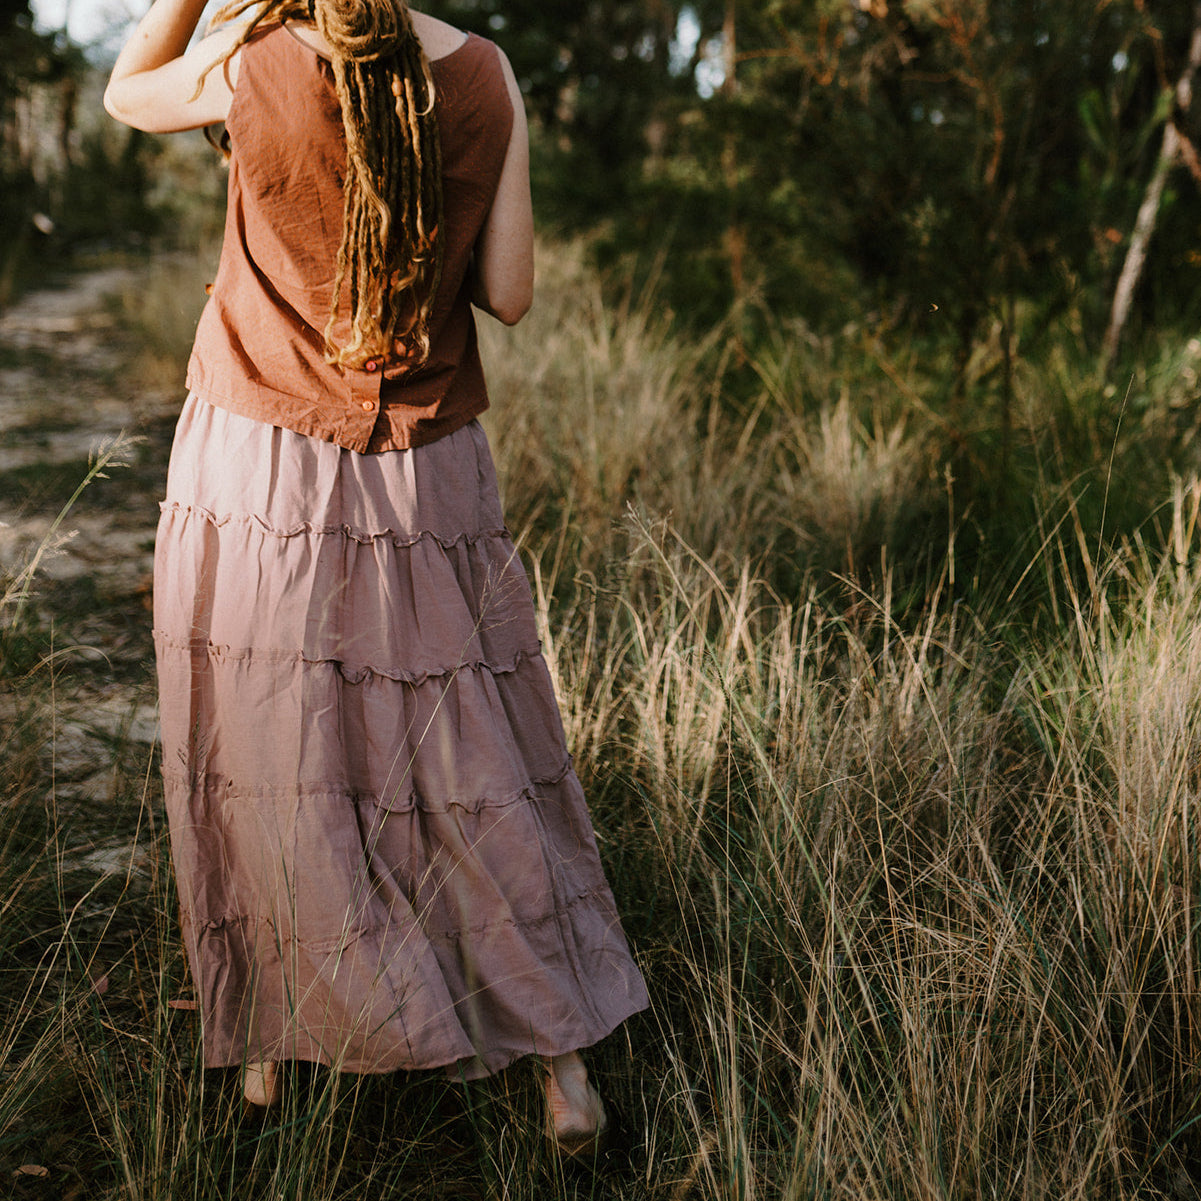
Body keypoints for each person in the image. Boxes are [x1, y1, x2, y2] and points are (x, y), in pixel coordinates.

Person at [104, 0, 648, 1154]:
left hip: (263, 453)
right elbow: (508, 292)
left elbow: (123, 95)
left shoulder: (249, 61)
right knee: (473, 751)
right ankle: (562, 1072)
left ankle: (270, 1040)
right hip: (430, 460)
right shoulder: (487, 74)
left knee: (270, 742)